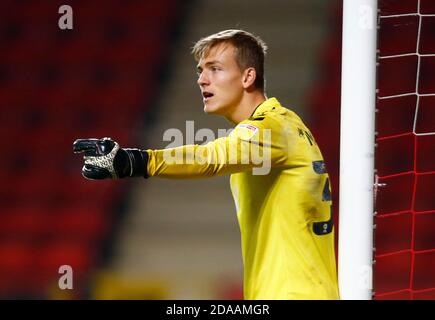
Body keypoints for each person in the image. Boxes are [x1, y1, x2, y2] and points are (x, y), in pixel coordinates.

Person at [73, 29, 340, 300]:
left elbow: (210, 158)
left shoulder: (272, 127)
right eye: (200, 71)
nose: (202, 80)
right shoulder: (284, 125)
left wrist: (136, 161)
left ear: (248, 76)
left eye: (215, 69)